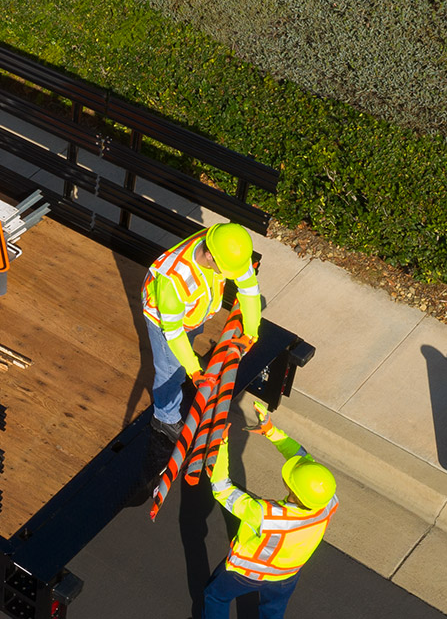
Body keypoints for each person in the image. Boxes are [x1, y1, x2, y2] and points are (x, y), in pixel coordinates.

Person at [202, 401, 339, 619]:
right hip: (287, 576)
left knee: (216, 596)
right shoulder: (326, 498)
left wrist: (220, 446)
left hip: (245, 573)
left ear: (291, 489)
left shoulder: (265, 514)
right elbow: (302, 456)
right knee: (272, 611)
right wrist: (271, 431)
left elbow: (221, 490)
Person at [142, 223, 262, 440]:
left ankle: (184, 369)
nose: (232, 275)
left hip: (193, 310)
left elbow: (249, 288)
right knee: (170, 371)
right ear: (209, 256)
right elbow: (173, 332)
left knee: (185, 351)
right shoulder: (174, 280)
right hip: (163, 319)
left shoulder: (224, 244)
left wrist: (252, 331)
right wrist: (193, 371)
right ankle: (164, 418)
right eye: (227, 271)